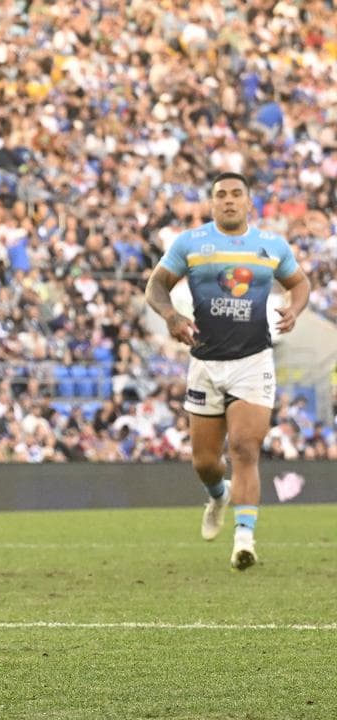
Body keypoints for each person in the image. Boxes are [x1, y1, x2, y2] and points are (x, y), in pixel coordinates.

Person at [145, 171, 310, 571]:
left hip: (253, 361)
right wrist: (170, 315)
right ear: (212, 203)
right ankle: (218, 495)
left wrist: (295, 307)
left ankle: (244, 539)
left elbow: (300, 283)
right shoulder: (190, 243)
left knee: (244, 448)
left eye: (237, 194)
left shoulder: (270, 246)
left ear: (249, 202)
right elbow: (156, 287)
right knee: (204, 461)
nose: (230, 200)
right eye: (222, 195)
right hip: (205, 362)